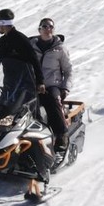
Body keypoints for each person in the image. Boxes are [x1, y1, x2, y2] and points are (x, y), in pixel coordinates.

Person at [30, 18, 73, 152]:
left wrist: (66, 87)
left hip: (51, 84)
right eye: (44, 26)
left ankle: (61, 134)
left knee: (53, 101)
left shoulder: (60, 48)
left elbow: (68, 70)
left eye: (51, 27)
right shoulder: (31, 46)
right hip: (33, 84)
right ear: (39, 30)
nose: (48, 29)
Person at [0, 9, 46, 96]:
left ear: (3, 23)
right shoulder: (3, 40)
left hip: (25, 86)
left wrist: (40, 82)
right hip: (9, 85)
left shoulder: (21, 39)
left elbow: (34, 60)